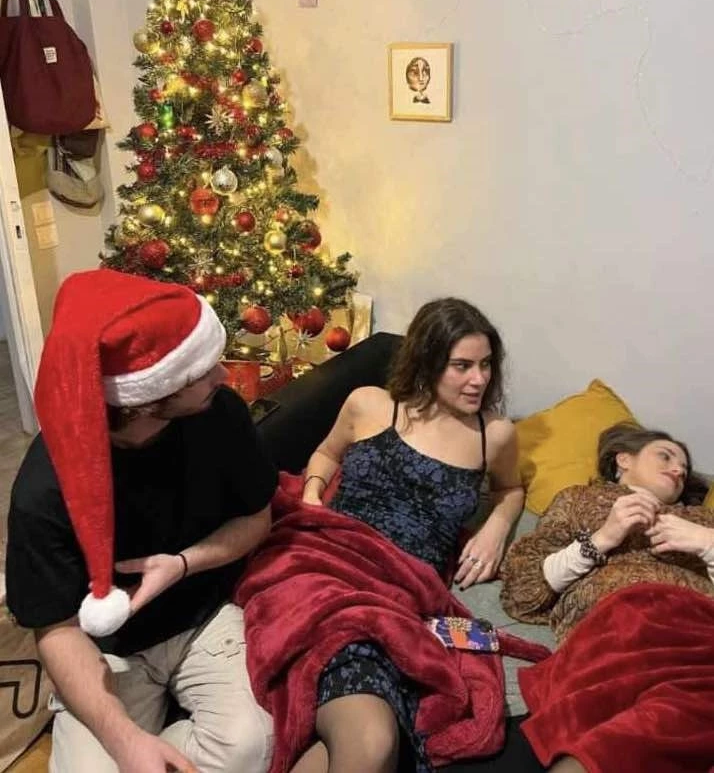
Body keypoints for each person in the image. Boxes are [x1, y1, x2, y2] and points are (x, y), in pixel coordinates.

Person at [236, 297, 536, 773]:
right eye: (462, 366)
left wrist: (496, 527)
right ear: (427, 360)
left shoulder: (493, 433)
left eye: (485, 365)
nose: (479, 379)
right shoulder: (369, 403)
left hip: (402, 594)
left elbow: (510, 489)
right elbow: (326, 454)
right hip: (327, 567)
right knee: (372, 740)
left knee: (372, 737)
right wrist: (312, 494)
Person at [6, 269, 278, 773]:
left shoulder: (221, 414)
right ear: (144, 402)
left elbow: (257, 518)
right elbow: (56, 630)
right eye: (199, 373)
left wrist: (182, 564)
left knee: (254, 744)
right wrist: (126, 742)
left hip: (204, 615)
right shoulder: (43, 491)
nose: (223, 376)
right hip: (104, 648)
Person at [500, 422, 714, 773]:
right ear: (623, 459)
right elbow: (520, 591)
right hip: (621, 626)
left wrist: (706, 544)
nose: (678, 470)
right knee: (675, 711)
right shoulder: (579, 500)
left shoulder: (702, 520)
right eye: (666, 456)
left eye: (684, 469)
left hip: (698, 632)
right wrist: (602, 538)